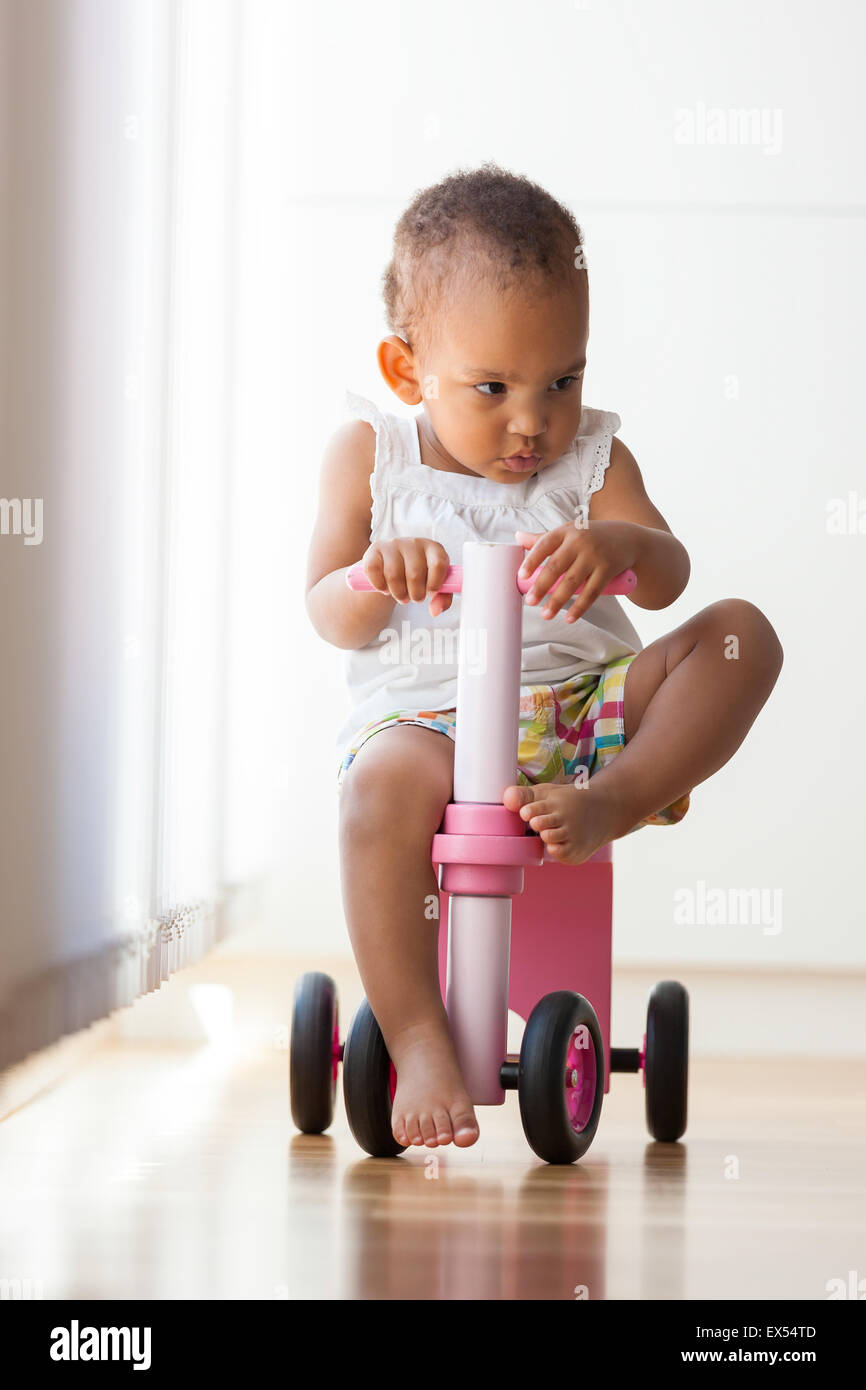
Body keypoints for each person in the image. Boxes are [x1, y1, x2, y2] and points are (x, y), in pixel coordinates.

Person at [305, 162, 783, 1153]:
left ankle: (620, 791)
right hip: (426, 726)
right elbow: (327, 614)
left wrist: (621, 547)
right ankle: (417, 1032)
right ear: (407, 372)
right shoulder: (370, 457)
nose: (531, 421)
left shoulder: (593, 461)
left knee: (742, 634)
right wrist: (372, 575)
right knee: (373, 795)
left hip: (579, 714)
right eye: (492, 387)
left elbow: (669, 578)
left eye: (560, 380)